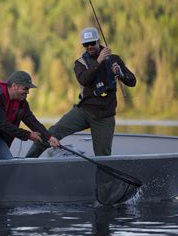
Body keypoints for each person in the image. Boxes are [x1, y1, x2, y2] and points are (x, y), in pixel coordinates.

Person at [26, 27, 136, 158]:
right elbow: (84, 80)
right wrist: (99, 61)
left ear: (98, 41)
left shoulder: (114, 59)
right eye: (85, 44)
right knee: (51, 133)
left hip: (105, 116)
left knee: (103, 156)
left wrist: (121, 74)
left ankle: (104, 179)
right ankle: (28, 160)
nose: (89, 47)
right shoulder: (80, 63)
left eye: (92, 43)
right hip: (84, 110)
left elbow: (132, 81)